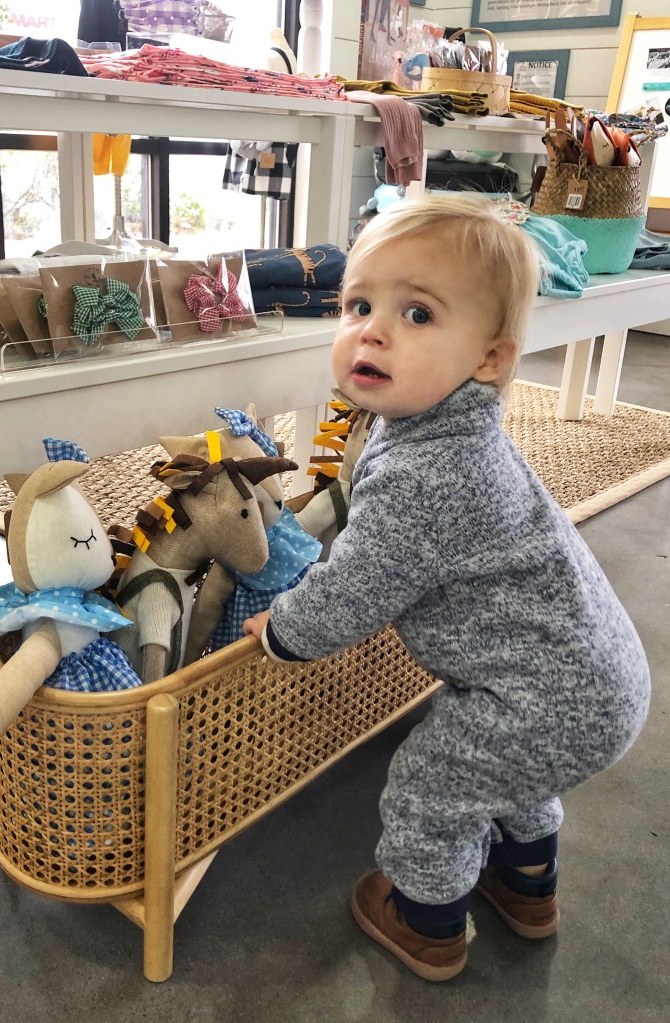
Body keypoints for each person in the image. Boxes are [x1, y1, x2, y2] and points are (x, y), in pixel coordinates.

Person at [243, 194, 650, 982]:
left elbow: (358, 589)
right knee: (506, 771)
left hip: (540, 694)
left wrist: (286, 629)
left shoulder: (428, 473)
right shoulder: (457, 427)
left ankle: (427, 921)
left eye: (418, 314)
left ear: (490, 359)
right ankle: (527, 886)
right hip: (589, 681)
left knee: (436, 783)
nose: (373, 329)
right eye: (358, 303)